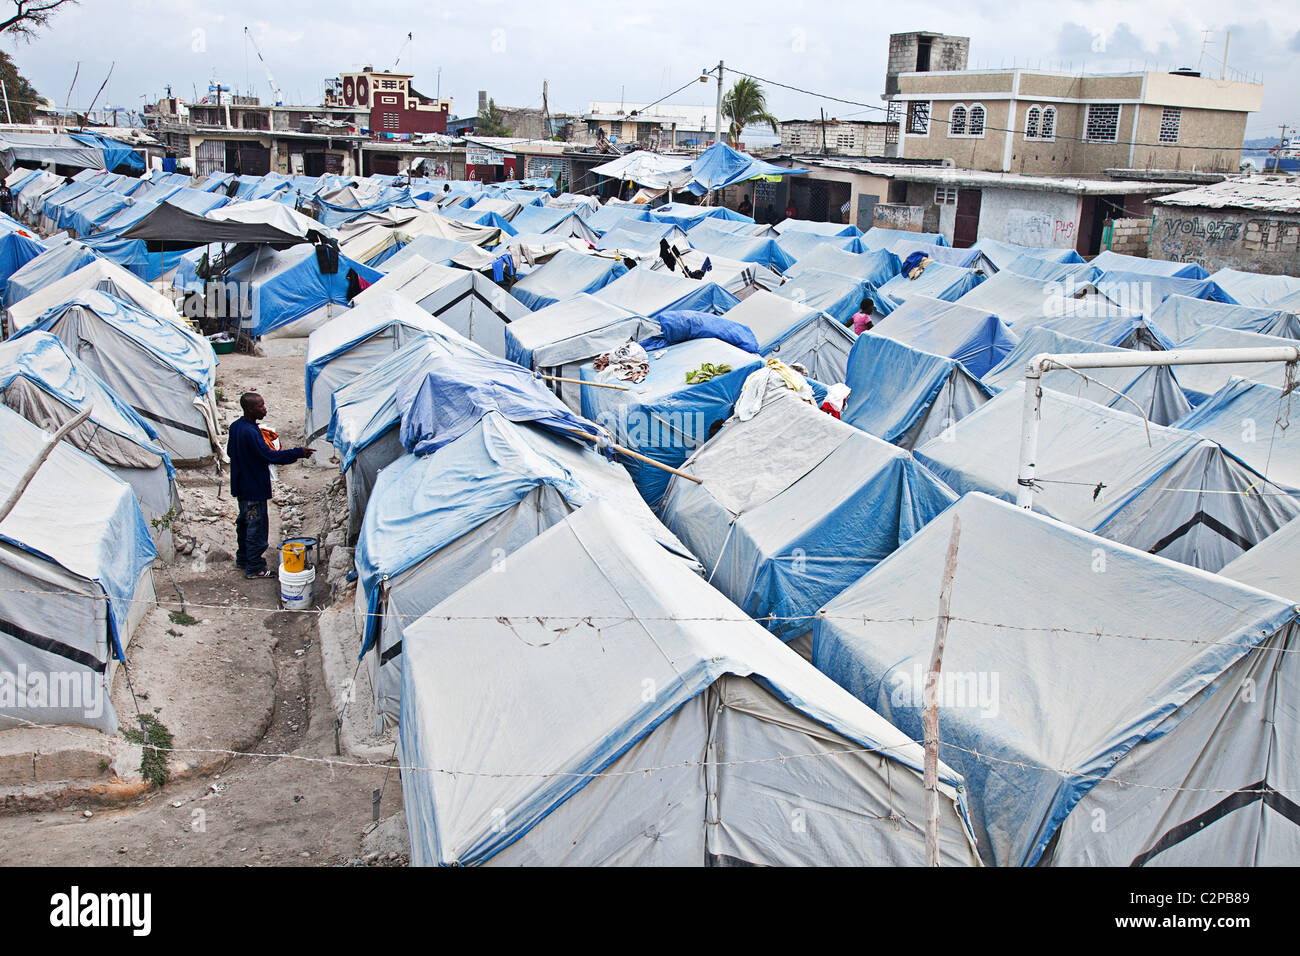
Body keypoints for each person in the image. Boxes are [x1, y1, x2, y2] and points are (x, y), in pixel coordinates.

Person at [228, 393, 314, 578]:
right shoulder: (250, 432)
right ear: (250, 409)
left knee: (244, 523)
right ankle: (255, 567)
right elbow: (270, 456)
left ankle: (243, 559)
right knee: (255, 526)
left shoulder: (236, 427)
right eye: (260, 406)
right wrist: (298, 452)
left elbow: (230, 451)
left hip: (241, 486)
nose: (264, 408)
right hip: (254, 489)